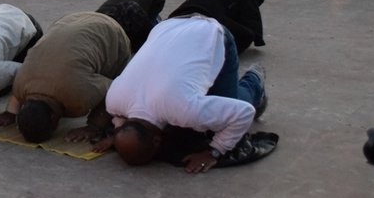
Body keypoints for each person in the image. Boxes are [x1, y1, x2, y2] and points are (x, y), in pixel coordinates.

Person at [101, 15, 266, 172]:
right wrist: (118, 134)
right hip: (168, 26)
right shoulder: (113, 100)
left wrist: (214, 152)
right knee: (197, 100)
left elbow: (244, 113)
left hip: (210, 33)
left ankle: (254, 81)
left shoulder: (184, 110)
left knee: (227, 109)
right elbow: (118, 118)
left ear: (158, 141)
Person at [0, 8, 148, 143]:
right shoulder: (21, 84)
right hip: (68, 20)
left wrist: (94, 126)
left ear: (54, 118)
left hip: (112, 32)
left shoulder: (78, 95)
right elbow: (17, 95)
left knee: (112, 84)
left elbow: (114, 88)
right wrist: (10, 113)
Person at [169, 0, 267, 54]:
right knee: (246, 35)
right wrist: (258, 39)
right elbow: (253, 19)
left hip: (184, 13)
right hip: (208, 16)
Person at [96, 0, 166, 47]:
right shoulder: (98, 16)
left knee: (148, 33)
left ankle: (157, 24)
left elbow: (144, 35)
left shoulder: (135, 17)